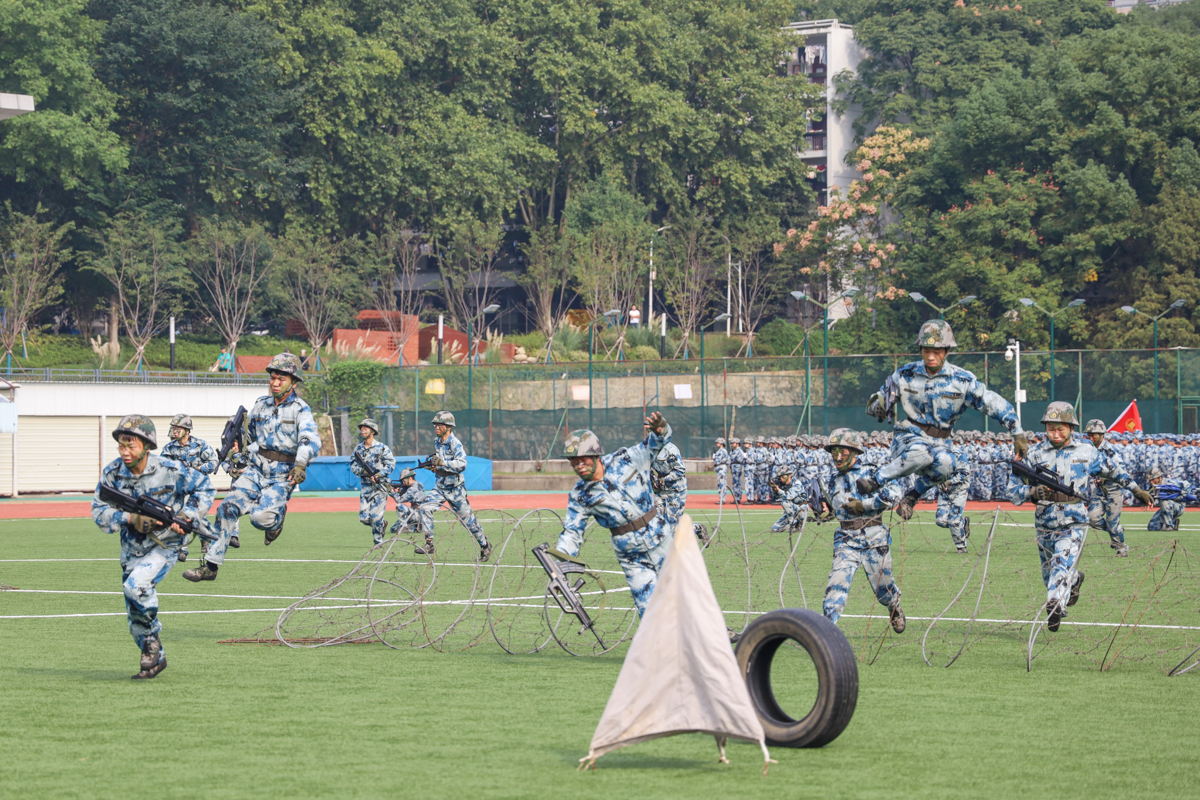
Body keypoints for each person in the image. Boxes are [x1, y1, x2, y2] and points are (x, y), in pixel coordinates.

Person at [1007, 403, 1151, 632]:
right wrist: (1032, 492)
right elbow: (1012, 493)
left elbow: (1114, 471)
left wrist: (1136, 490)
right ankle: (1072, 581)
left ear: (1071, 428)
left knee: (1060, 562)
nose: (1055, 434)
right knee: (1050, 574)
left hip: (1074, 519)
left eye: (1060, 429)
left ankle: (1054, 605)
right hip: (1044, 521)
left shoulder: (1087, 452)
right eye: (1050, 428)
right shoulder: (1032, 454)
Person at [861, 320, 1026, 520]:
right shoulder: (904, 374)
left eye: (937, 351)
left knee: (948, 463)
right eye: (926, 350)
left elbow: (992, 402)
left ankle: (912, 496)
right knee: (922, 452)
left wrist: (1016, 431)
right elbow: (877, 401)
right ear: (921, 349)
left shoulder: (962, 380)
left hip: (941, 442)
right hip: (908, 437)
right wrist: (877, 408)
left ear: (947, 351)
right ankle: (875, 480)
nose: (931, 356)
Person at [91, 415, 215, 679]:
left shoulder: (170, 469)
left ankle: (152, 641)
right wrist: (130, 518)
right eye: (121, 446)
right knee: (135, 618)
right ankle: (156, 657)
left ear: (147, 445)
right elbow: (99, 511)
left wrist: (187, 516)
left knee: (135, 586)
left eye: (131, 446)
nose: (125, 452)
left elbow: (204, 487)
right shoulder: (112, 473)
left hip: (167, 545)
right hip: (132, 550)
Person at [183, 353, 320, 583]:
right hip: (256, 469)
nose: (275, 383)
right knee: (226, 508)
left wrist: (300, 464)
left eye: (281, 379)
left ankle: (276, 520)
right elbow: (250, 438)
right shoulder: (260, 406)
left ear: (293, 383)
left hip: (282, 474)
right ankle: (210, 567)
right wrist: (236, 447)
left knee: (260, 518)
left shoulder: (300, 410)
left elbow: (310, 439)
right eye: (273, 377)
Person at [553, 413, 675, 617]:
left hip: (662, 541)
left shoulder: (627, 459)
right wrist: (559, 569)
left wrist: (660, 428)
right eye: (573, 461)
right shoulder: (580, 495)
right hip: (632, 557)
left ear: (595, 455)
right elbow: (571, 534)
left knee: (687, 594)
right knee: (651, 614)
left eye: (582, 458)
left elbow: (657, 442)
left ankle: (713, 635)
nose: (578, 464)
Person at [819, 428, 906, 633]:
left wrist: (864, 505)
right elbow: (833, 509)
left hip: (875, 538)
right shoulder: (832, 480)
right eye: (834, 453)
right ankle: (827, 631)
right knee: (836, 584)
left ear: (855, 453)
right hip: (846, 540)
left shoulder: (874, 473)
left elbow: (894, 494)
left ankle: (894, 607)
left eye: (844, 452)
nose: (838, 457)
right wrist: (824, 511)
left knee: (883, 590)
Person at [417, 411, 492, 560]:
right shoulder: (437, 441)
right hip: (440, 486)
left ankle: (484, 545)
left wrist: (443, 463)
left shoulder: (455, 443)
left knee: (468, 522)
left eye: (440, 425)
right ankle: (429, 544)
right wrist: (434, 467)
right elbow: (440, 464)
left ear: (449, 427)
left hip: (455, 489)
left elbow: (462, 463)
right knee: (424, 507)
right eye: (436, 425)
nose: (437, 427)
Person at [159, 413, 219, 562]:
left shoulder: (200, 445)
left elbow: (213, 461)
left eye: (179, 428)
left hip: (198, 488)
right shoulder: (169, 448)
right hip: (179, 489)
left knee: (192, 515)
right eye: (174, 428)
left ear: (187, 430)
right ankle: (185, 547)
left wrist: (198, 469)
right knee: (183, 515)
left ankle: (199, 541)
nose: (175, 431)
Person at [1084, 419, 1134, 556]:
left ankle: (1121, 547)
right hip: (1099, 491)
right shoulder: (1089, 450)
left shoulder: (1110, 450)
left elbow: (1120, 468)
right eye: (1089, 434)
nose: (1091, 437)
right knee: (1091, 519)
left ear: (1102, 435)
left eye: (1094, 434)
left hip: (1114, 491)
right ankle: (1116, 530)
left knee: (1113, 524)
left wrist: (1104, 477)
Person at [649, 437, 708, 542]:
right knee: (655, 522)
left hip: (675, 492)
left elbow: (680, 470)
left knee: (674, 529)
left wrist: (664, 479)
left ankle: (697, 529)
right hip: (660, 492)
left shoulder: (670, 450)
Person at [349, 418, 397, 546]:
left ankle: (378, 542)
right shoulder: (358, 449)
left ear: (373, 431)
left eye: (366, 428)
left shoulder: (382, 448)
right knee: (364, 518)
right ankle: (381, 524)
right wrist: (363, 472)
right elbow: (353, 465)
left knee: (375, 516)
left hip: (380, 487)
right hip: (366, 488)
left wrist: (379, 474)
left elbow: (391, 464)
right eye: (361, 428)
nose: (362, 430)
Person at [1147, 467, 1193, 532]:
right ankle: (1174, 522)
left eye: (1153, 480)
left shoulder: (1169, 483)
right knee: (1152, 527)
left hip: (1178, 507)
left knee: (1164, 502)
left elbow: (1187, 485)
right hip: (1166, 508)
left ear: (1160, 478)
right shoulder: (1153, 487)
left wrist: (1180, 497)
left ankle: (1169, 526)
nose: (1151, 482)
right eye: (1150, 480)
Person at [769, 467, 814, 532]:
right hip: (792, 511)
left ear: (789, 476)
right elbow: (777, 498)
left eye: (783, 477)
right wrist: (775, 490)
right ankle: (793, 523)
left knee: (785, 502)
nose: (781, 479)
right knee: (775, 529)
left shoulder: (797, 484)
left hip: (801, 510)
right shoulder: (784, 485)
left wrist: (778, 490)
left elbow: (788, 496)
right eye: (780, 477)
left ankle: (794, 524)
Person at [389, 468, 425, 535]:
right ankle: (415, 527)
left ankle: (404, 527)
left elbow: (399, 500)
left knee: (399, 506)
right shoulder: (419, 484)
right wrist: (399, 492)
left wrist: (393, 492)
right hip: (419, 514)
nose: (403, 483)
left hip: (417, 513)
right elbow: (410, 496)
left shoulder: (412, 489)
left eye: (404, 480)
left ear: (410, 478)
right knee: (393, 529)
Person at [713, 437, 730, 505]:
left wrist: (715, 458)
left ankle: (722, 499)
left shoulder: (722, 451)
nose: (717, 443)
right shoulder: (719, 451)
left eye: (718, 442)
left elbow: (720, 460)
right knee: (720, 483)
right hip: (719, 468)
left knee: (722, 483)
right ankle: (721, 498)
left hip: (721, 468)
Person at [729, 437, 745, 505]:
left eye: (733, 443)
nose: (732, 444)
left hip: (737, 468)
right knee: (735, 483)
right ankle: (736, 497)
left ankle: (738, 498)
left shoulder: (738, 451)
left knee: (737, 483)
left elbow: (739, 459)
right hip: (734, 468)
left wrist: (732, 457)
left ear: (737, 444)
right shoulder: (734, 451)